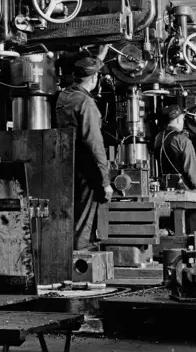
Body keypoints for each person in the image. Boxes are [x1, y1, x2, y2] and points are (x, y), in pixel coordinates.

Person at [54, 47, 113, 251]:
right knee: (85, 222)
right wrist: (105, 182)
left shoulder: (64, 97)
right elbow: (94, 143)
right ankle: (80, 261)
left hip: (66, 164)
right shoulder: (86, 103)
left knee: (73, 215)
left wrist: (100, 56)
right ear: (95, 78)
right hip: (86, 170)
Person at [153, 105, 196, 191]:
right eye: (182, 119)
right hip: (183, 189)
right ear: (178, 119)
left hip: (164, 187)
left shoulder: (158, 138)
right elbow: (191, 168)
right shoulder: (182, 140)